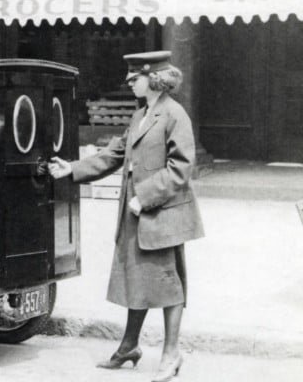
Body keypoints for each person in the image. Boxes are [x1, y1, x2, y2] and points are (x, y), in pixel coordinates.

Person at [49, 51, 204, 382]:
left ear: (154, 78)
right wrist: (71, 169)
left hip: (161, 214)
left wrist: (144, 198)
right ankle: (129, 347)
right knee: (138, 277)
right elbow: (115, 154)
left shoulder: (175, 115)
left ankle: (171, 354)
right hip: (139, 214)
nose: (130, 83)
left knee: (167, 283)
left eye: (135, 78)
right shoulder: (142, 115)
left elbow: (181, 169)